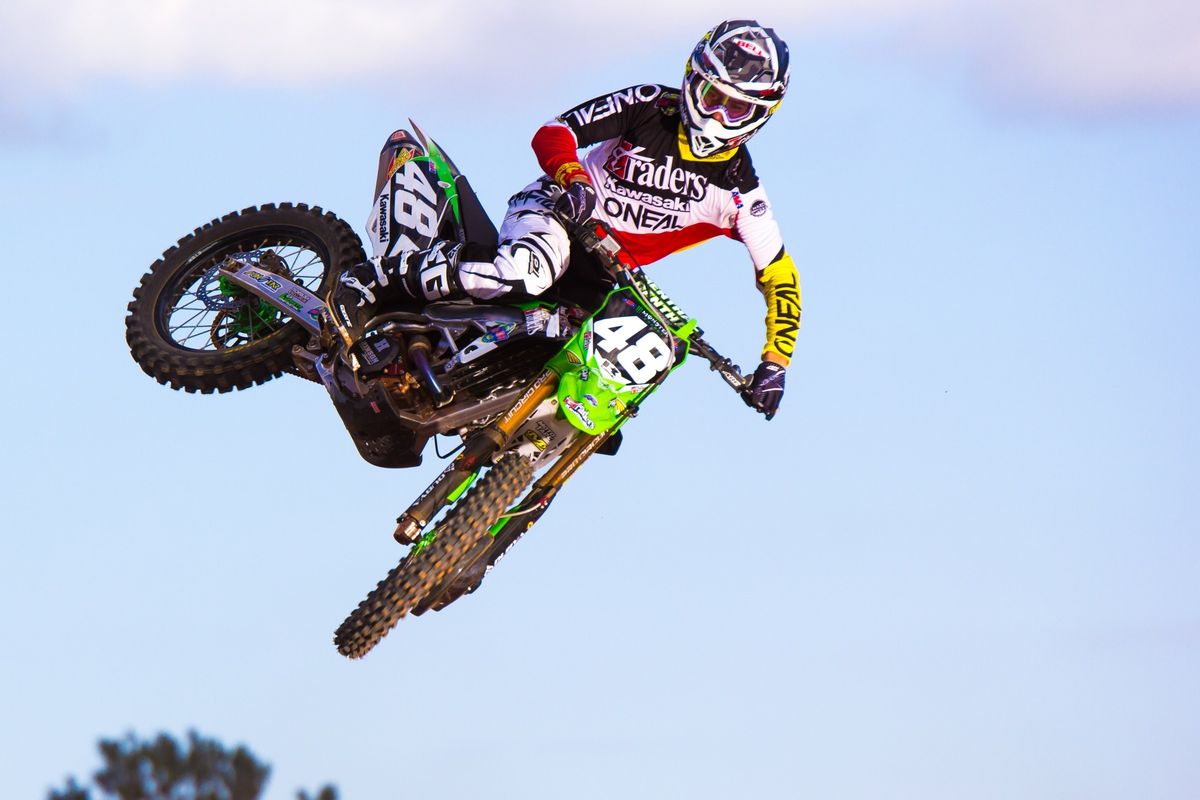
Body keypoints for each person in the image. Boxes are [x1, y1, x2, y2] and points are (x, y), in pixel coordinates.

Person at [329, 19, 800, 420]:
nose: (716, 114)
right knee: (528, 271)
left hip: (604, 278)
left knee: (606, 387)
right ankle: (374, 279)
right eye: (711, 95)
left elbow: (780, 276)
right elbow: (555, 131)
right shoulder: (649, 105)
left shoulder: (740, 193)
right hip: (557, 211)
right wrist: (574, 177)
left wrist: (775, 362)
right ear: (692, 78)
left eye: (735, 107)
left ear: (760, 115)